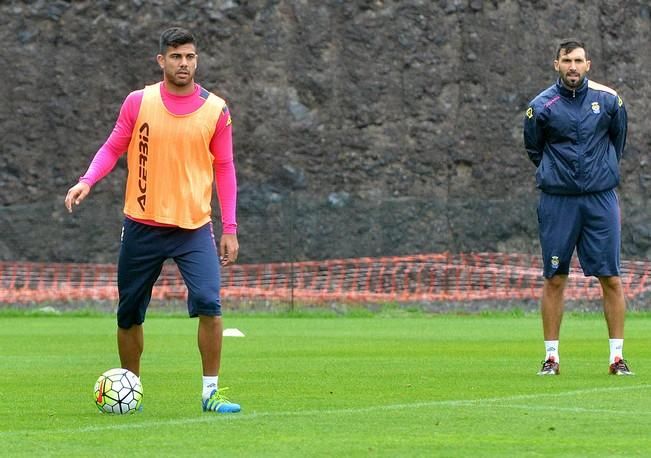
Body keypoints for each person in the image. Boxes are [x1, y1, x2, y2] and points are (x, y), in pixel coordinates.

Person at [65, 27, 242, 411]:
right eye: (176, 56)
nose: (184, 63)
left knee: (210, 303)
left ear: (197, 60)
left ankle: (211, 394)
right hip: (142, 225)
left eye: (190, 56)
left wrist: (230, 228)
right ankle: (131, 391)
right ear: (161, 60)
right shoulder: (138, 101)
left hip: (193, 228)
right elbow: (113, 146)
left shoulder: (217, 110)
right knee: (129, 311)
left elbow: (225, 168)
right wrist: (87, 180)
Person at [524, 39, 632, 376]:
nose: (573, 66)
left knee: (610, 278)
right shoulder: (541, 106)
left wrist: (599, 172)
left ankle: (617, 358)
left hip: (600, 199)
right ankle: (551, 358)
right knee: (555, 277)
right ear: (556, 63)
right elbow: (534, 148)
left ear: (589, 64)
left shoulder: (609, 100)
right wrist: (560, 175)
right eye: (567, 60)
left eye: (579, 60)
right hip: (558, 201)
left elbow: (618, 140)